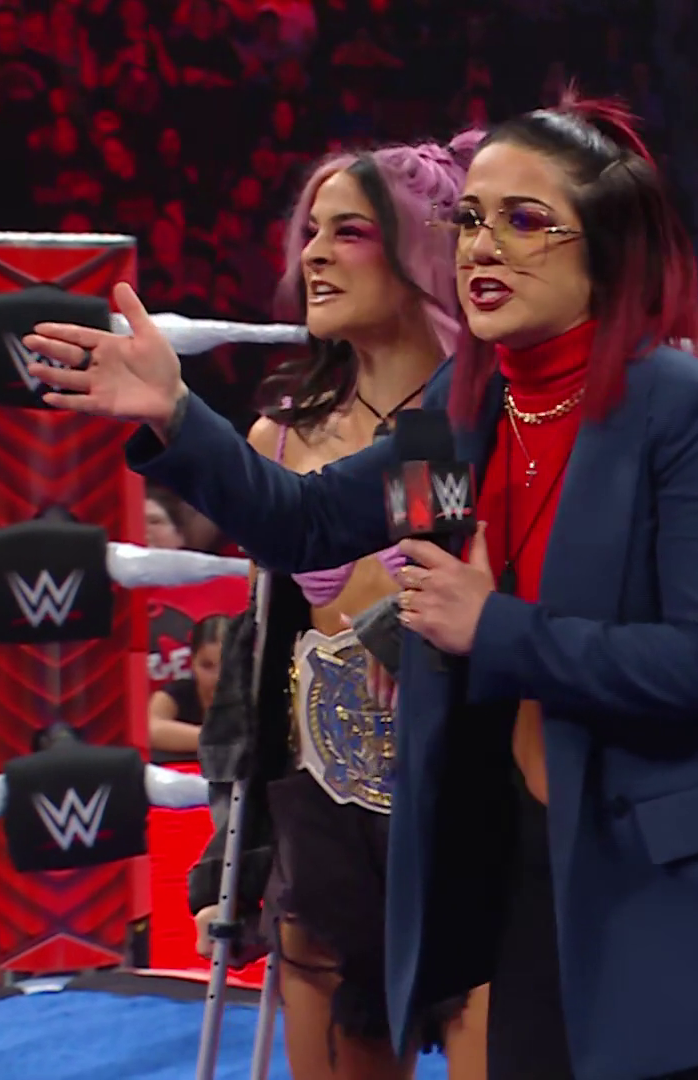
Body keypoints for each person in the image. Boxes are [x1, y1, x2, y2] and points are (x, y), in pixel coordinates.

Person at [23, 97, 698, 1080]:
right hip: (534, 880)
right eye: (469, 219)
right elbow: (306, 523)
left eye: (524, 220)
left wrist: (490, 626)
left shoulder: (689, 413)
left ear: (607, 249)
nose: (482, 246)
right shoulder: (467, 424)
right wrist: (175, 412)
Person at [200, 135, 491, 1080]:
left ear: (420, 252)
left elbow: (458, 578)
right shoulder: (281, 438)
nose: (313, 256)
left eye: (349, 232)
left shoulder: (472, 424)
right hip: (325, 826)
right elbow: (257, 666)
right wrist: (231, 856)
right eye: (311, 232)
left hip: (463, 820)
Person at [146, 613, 226, 756]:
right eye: (207, 666)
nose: (218, 677)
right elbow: (149, 729)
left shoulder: (255, 695)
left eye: (228, 665)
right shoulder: (177, 693)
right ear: (193, 662)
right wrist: (220, 740)